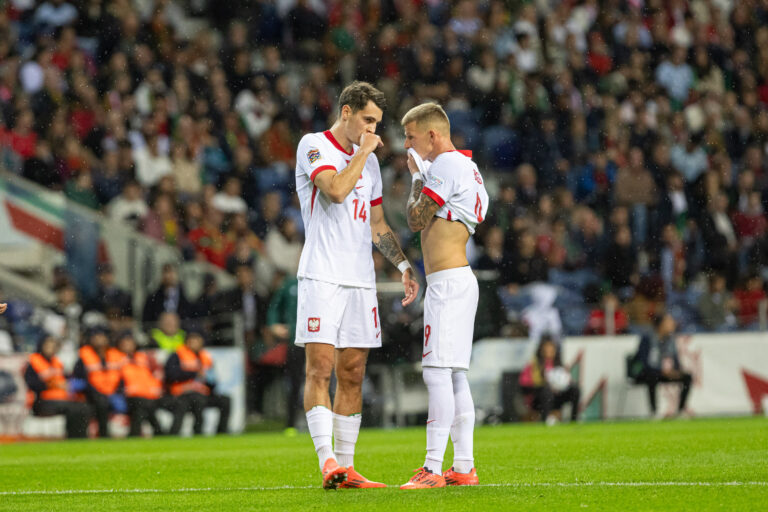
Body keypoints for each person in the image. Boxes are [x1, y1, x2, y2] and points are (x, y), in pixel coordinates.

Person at [294, 81, 418, 489]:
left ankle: (346, 468)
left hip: (360, 281)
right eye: (368, 119)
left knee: (352, 372)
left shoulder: (372, 166)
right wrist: (363, 151)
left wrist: (401, 264)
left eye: (377, 123)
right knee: (320, 369)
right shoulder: (313, 145)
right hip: (322, 275)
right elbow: (334, 190)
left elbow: (376, 223)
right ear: (346, 112)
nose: (373, 129)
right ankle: (326, 461)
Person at [400, 102, 488, 489]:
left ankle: (432, 469)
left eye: (411, 136)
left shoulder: (448, 165)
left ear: (432, 135)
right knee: (453, 375)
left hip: (449, 283)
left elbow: (416, 218)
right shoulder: (465, 167)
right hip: (455, 280)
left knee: (436, 372)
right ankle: (464, 467)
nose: (407, 144)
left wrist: (418, 178)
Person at [24, 335, 92, 438]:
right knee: (72, 409)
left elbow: (65, 379)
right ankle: (73, 437)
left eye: (53, 345)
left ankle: (80, 437)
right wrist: (51, 385)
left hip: (62, 399)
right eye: (48, 345)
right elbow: (32, 384)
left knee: (84, 407)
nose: (51, 347)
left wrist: (71, 384)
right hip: (43, 401)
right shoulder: (33, 362)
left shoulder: (57, 362)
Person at [164, 331, 231, 435]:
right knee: (197, 400)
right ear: (186, 342)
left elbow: (212, 380)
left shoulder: (205, 356)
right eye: (192, 340)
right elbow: (171, 375)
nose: (195, 343)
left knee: (225, 400)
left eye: (197, 340)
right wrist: (193, 374)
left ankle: (222, 433)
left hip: (202, 392)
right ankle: (197, 432)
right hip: (183, 393)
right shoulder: (177, 355)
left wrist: (210, 381)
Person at [630, 313, 693, 417]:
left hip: (665, 373)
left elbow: (675, 360)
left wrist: (675, 371)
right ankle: (654, 411)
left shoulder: (671, 339)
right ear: (661, 325)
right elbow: (643, 361)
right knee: (652, 376)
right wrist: (660, 370)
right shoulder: (648, 338)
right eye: (669, 322)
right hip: (648, 373)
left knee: (687, 377)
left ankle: (680, 411)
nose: (672, 324)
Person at [72, 328, 126, 438]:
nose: (99, 340)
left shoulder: (115, 355)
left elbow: (123, 377)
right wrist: (93, 391)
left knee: (138, 403)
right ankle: (103, 435)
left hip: (113, 393)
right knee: (100, 402)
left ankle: (133, 437)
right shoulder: (84, 356)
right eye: (96, 337)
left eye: (101, 337)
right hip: (92, 394)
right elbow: (79, 378)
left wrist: (119, 391)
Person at [114, 331, 167, 437]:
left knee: (141, 409)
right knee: (142, 406)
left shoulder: (143, 357)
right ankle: (158, 432)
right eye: (125, 343)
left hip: (146, 395)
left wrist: (156, 389)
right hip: (126, 395)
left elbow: (156, 374)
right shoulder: (114, 357)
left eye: (130, 342)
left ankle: (135, 434)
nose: (128, 346)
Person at [519, 335, 581, 425]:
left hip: (557, 396)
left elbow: (567, 380)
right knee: (546, 391)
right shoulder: (534, 364)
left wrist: (564, 383)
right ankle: (545, 421)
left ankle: (573, 420)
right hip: (539, 398)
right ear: (541, 349)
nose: (549, 350)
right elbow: (524, 384)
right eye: (547, 347)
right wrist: (543, 385)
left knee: (575, 390)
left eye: (551, 347)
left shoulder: (558, 363)